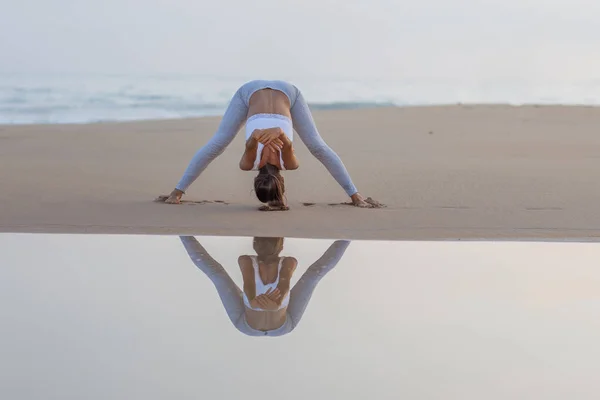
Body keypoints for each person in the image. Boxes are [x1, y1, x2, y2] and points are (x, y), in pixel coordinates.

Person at [160, 80, 378, 210]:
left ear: (282, 182)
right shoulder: (269, 164)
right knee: (317, 147)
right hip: (286, 93)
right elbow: (279, 146)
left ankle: (177, 192)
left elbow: (252, 146)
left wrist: (258, 136)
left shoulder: (263, 164)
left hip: (252, 92)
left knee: (218, 144)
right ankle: (176, 193)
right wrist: (278, 133)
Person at [179, 235, 350, 336]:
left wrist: (253, 301)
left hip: (246, 325)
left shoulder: (246, 260)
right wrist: (276, 305)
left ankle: (183, 233)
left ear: (254, 243)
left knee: (217, 276)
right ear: (281, 246)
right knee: (314, 276)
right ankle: (347, 236)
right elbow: (283, 284)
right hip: (284, 326)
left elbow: (252, 285)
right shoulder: (288, 262)